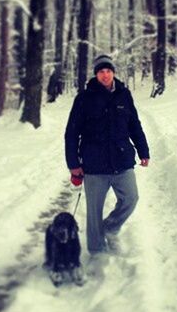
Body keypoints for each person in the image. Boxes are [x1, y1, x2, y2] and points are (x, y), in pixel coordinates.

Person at [64, 54, 150, 254]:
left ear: (113, 72)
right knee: (93, 213)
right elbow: (71, 132)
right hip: (94, 164)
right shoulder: (84, 98)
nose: (105, 75)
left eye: (108, 71)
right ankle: (96, 251)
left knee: (131, 198)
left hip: (122, 160)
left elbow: (134, 125)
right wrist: (73, 164)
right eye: (101, 71)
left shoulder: (124, 95)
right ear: (96, 74)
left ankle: (111, 227)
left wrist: (143, 150)